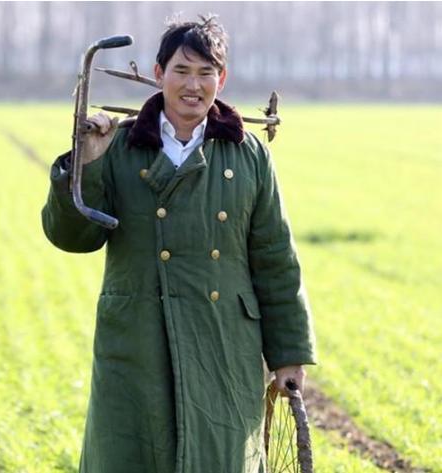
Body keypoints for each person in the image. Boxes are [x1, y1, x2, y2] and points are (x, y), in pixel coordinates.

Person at [42, 14, 317, 473]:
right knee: (133, 457)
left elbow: (275, 258)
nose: (193, 85)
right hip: (136, 342)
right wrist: (86, 163)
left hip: (224, 344)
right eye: (181, 71)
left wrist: (289, 355)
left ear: (221, 79)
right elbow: (73, 236)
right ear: (158, 74)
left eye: (206, 72)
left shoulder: (249, 155)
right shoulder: (118, 146)